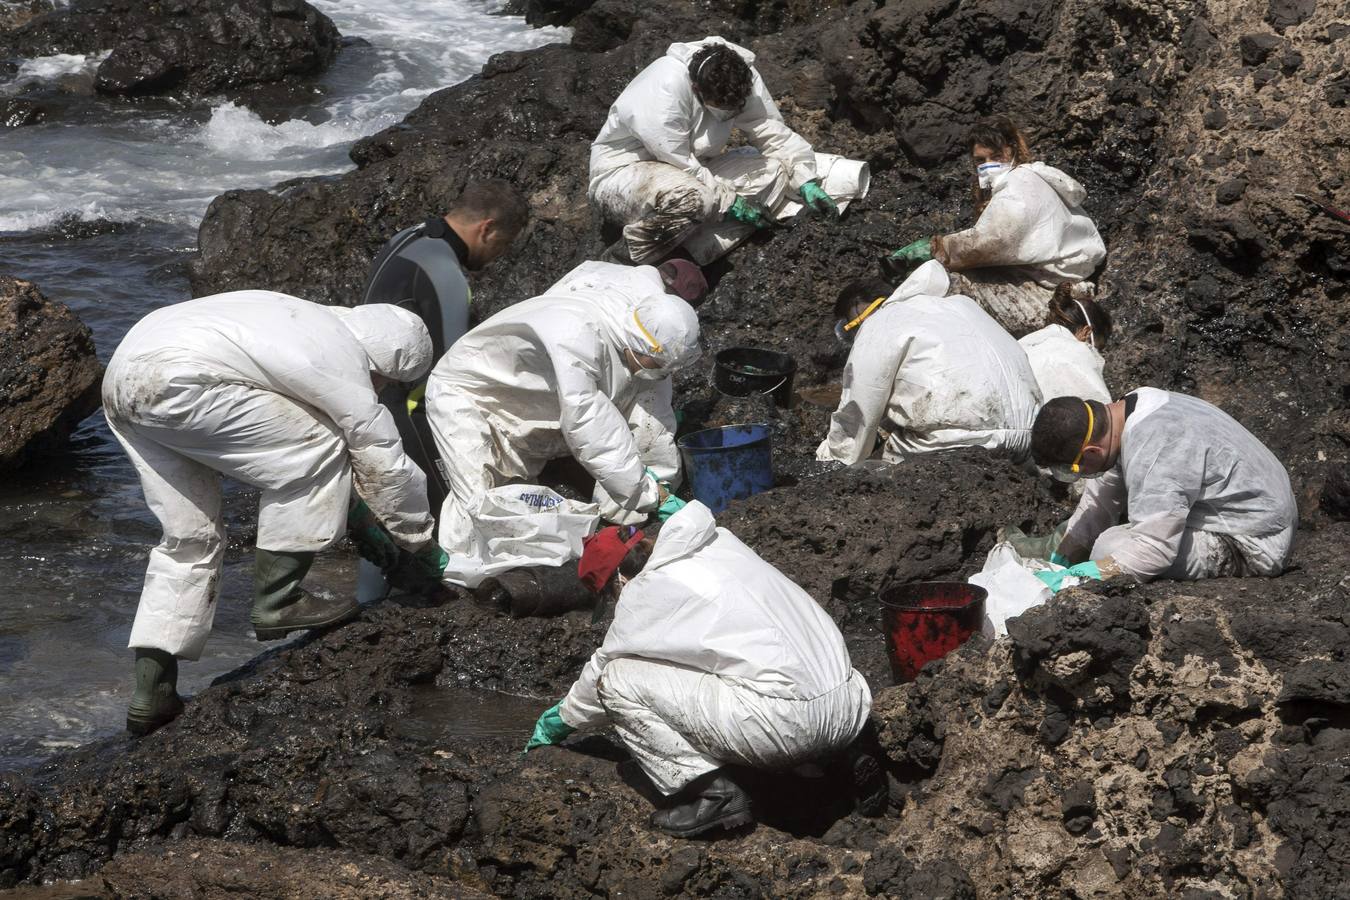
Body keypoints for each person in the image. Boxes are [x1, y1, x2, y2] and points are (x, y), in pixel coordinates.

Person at [103, 291, 446, 735]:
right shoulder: (340, 353)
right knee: (321, 447)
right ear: (382, 364)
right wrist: (418, 539)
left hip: (123, 381)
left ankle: (152, 696)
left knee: (190, 539)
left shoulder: (297, 319)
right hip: (184, 380)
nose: (380, 389)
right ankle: (279, 601)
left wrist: (380, 546)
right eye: (386, 381)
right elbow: (381, 460)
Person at [524, 503, 880, 838]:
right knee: (749, 665)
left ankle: (714, 795)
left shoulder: (645, 593)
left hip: (786, 726)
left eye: (610, 595)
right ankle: (843, 760)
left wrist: (560, 720)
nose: (616, 603)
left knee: (616, 680)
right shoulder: (721, 543)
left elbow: (600, 672)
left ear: (618, 578)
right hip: (849, 706)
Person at [423, 278, 700, 587]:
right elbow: (589, 426)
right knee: (479, 499)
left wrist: (660, 486)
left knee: (519, 502)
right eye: (658, 363)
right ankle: (459, 581)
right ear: (638, 340)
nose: (661, 372)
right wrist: (648, 495)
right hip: (471, 394)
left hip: (526, 399)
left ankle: (515, 576)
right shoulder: (577, 337)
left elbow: (653, 412)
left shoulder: (645, 318)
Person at [589, 36, 841, 266]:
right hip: (624, 176)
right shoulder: (664, 88)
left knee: (774, 171)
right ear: (697, 90)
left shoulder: (740, 73)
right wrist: (731, 201)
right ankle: (622, 259)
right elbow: (679, 161)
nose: (731, 112)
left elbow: (767, 127)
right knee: (697, 200)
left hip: (691, 172)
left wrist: (805, 179)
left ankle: (685, 251)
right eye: (722, 106)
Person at [359, 180, 529, 517]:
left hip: (366, 401)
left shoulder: (408, 238)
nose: (500, 255)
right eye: (503, 243)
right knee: (443, 523)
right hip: (407, 412)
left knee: (394, 530)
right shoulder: (445, 274)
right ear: (487, 228)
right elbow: (453, 371)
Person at [1027, 391, 1297, 589]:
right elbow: (1100, 500)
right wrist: (1064, 555)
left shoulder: (1155, 443)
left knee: (1109, 549)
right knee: (1109, 538)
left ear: (1092, 451)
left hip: (1254, 541)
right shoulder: (1126, 411)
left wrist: (1079, 578)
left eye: (1071, 470)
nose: (1077, 476)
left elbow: (1154, 550)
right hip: (1252, 513)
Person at [884, 116, 1106, 336]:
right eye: (980, 160)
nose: (988, 165)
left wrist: (936, 249)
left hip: (1051, 298)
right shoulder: (1030, 179)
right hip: (1059, 284)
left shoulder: (1019, 185)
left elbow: (994, 240)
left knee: (946, 285)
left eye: (996, 156)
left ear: (1012, 151)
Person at [817, 261, 1042, 465]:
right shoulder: (960, 305)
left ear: (858, 316)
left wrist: (830, 459)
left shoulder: (878, 325)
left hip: (963, 442)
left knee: (872, 468)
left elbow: (858, 413)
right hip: (1027, 438)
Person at [1018, 284, 1113, 404]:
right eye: (1098, 347)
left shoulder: (1027, 341)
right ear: (1086, 332)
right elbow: (1100, 411)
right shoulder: (1076, 354)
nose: (1095, 352)